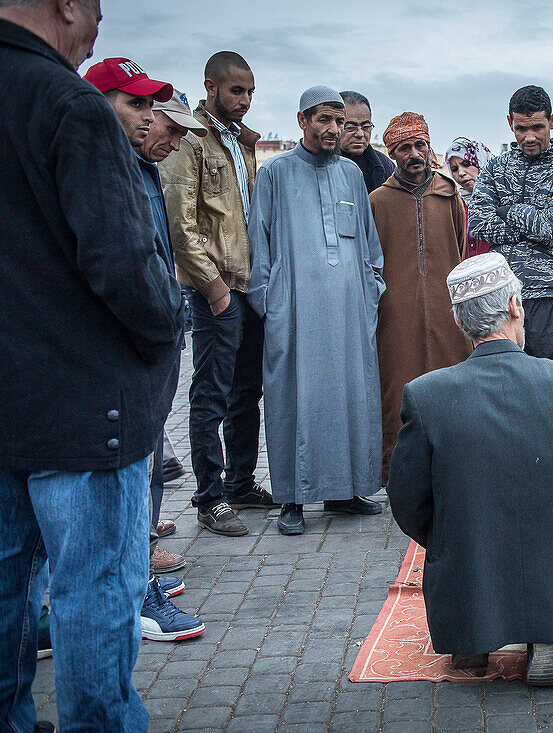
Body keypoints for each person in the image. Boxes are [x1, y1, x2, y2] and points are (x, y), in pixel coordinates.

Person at [0, 1, 184, 729]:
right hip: (85, 410)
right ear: (67, 6)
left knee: (10, 584)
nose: (96, 31)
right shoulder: (67, 104)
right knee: (95, 590)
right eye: (98, 14)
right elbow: (123, 263)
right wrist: (164, 331)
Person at [387, 253, 553, 686]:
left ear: (461, 324)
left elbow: (406, 501)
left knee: (467, 537)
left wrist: (449, 537)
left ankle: (473, 632)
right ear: (516, 306)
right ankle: (547, 635)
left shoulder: (425, 395)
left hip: (464, 585)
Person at [85, 58, 208, 643]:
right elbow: (123, 269)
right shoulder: (97, 173)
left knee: (149, 470)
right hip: (119, 356)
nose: (153, 122)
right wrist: (165, 320)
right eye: (136, 106)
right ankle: (134, 595)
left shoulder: (137, 170)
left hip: (147, 347)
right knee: (124, 483)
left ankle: (137, 579)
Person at [247, 86, 387, 535]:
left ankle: (345, 492)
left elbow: (368, 243)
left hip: (348, 312)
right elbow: (259, 243)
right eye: (324, 120)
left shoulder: (350, 174)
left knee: (350, 397)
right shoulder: (275, 173)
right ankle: (291, 497)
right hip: (295, 310)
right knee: (294, 400)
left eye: (340, 121)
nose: (333, 129)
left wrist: (370, 291)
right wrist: (270, 303)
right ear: (302, 121)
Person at [161, 51, 273, 538]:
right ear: (211, 86)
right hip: (218, 288)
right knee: (212, 393)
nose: (245, 101)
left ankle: (241, 482)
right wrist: (213, 288)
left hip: (246, 284)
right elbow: (180, 221)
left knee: (248, 391)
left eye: (250, 92)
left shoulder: (237, 140)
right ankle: (209, 497)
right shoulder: (193, 139)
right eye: (236, 91)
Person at [372, 113, 472, 487]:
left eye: (419, 145)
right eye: (403, 148)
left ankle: (456, 473)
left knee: (452, 389)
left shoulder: (448, 194)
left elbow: (459, 250)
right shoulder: (377, 201)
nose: (413, 154)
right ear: (392, 152)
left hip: (448, 315)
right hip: (395, 317)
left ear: (429, 147)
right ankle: (401, 479)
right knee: (398, 393)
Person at [468, 85, 553, 361]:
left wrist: (507, 209)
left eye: (538, 127)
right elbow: (477, 223)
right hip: (503, 298)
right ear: (510, 123)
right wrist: (534, 225)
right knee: (506, 387)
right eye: (522, 128)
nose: (530, 136)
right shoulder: (496, 169)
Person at [445, 136, 494, 257]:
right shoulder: (455, 205)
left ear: (481, 161)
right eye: (455, 169)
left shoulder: (503, 198)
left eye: (466, 164)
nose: (461, 173)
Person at [339, 89, 394, 193]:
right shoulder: (318, 163)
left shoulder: (385, 166)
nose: (360, 134)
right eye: (351, 127)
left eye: (366, 127)